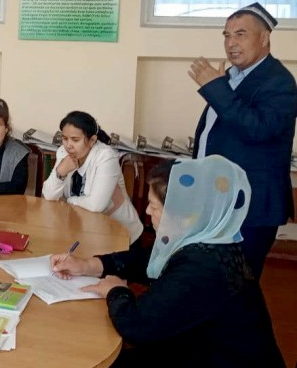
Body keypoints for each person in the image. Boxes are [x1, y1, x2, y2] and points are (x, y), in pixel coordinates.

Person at [50, 156, 284, 367]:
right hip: (195, 345)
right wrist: (90, 265)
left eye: (154, 206)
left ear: (182, 213)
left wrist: (116, 291)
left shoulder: (201, 267)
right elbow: (148, 260)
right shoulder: (206, 239)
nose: (148, 211)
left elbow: (137, 327)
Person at [188, 2, 297, 278]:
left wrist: (215, 89)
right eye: (226, 35)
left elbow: (258, 129)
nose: (231, 43)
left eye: (240, 34)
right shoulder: (229, 77)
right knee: (213, 276)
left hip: (251, 205)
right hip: (218, 198)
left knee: (238, 281)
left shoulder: (279, 81)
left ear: (264, 38)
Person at [41, 111, 143, 245]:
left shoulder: (105, 156)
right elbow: (48, 195)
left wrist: (68, 201)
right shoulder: (63, 152)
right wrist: (61, 171)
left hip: (119, 236)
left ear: (92, 140)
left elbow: (96, 205)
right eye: (65, 138)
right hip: (81, 231)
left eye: (75, 140)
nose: (68, 145)